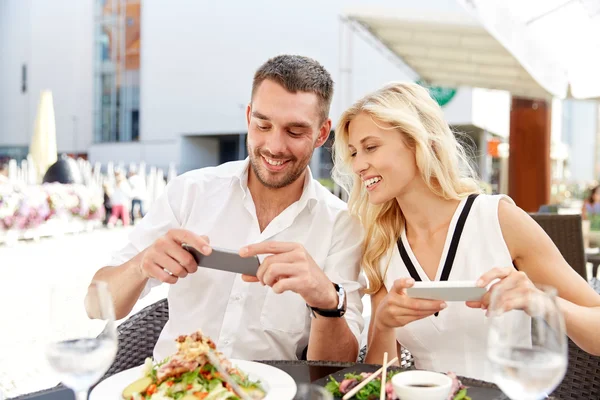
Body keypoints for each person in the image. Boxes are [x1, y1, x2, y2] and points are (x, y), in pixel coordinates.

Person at [86, 55, 364, 363]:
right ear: (248, 117)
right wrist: (140, 264)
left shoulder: (341, 225)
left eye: (295, 131)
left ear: (322, 133)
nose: (274, 146)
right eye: (263, 125)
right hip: (173, 390)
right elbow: (95, 306)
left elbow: (339, 368)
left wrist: (326, 299)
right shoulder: (191, 192)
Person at [331, 82, 600, 381]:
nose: (358, 165)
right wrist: (382, 326)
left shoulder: (498, 219)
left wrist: (541, 300)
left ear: (418, 141)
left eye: (370, 147)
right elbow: (378, 382)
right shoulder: (381, 246)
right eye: (353, 153)